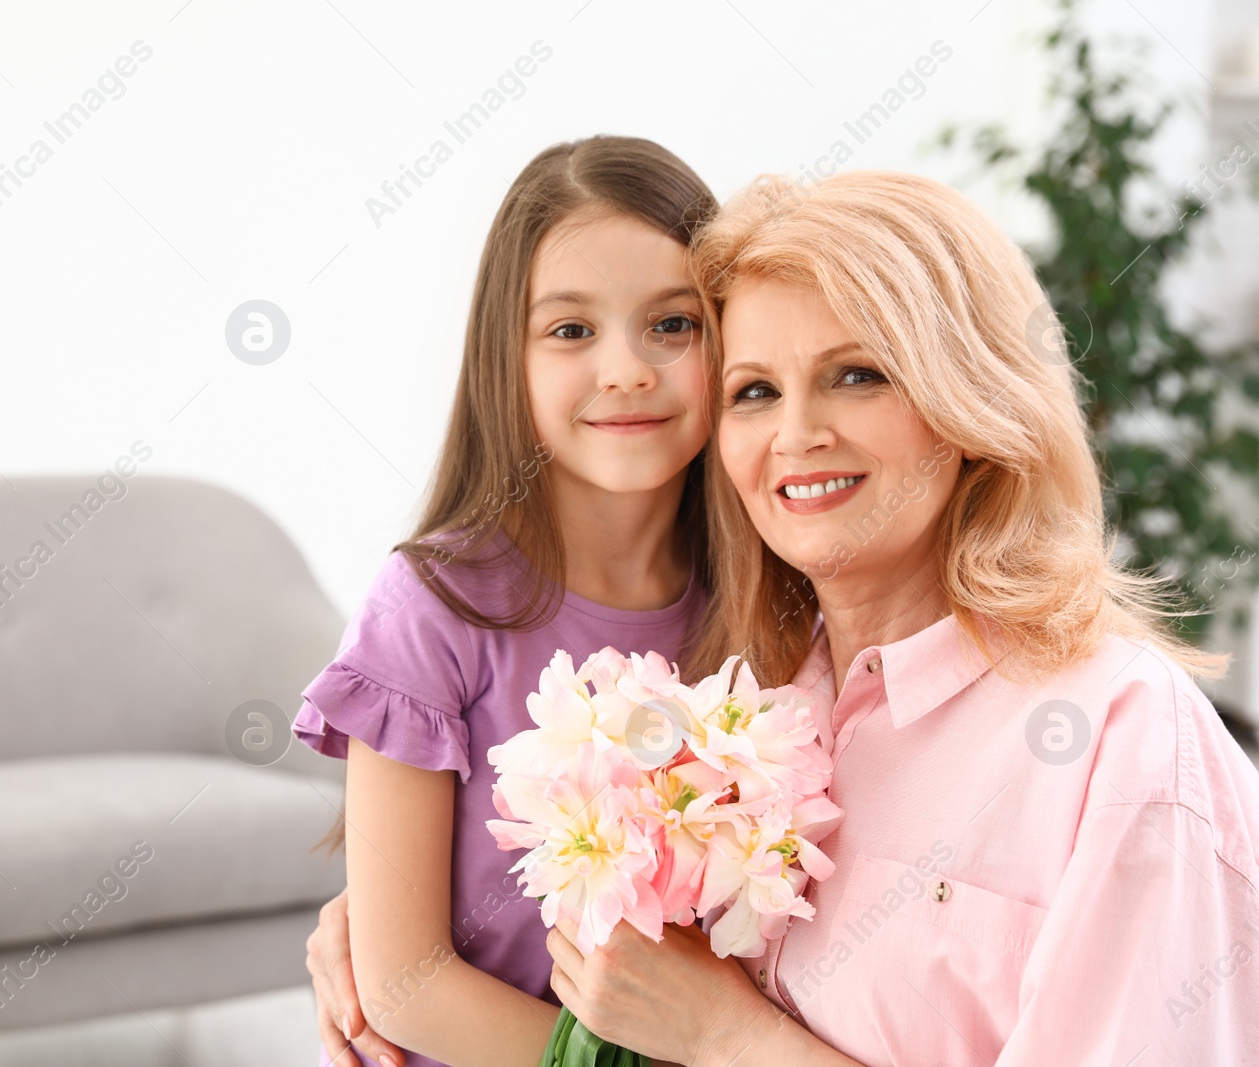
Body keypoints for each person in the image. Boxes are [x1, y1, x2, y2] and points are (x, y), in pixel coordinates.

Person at [310, 170, 1259, 1066]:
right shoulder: (744, 708)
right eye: (755, 390)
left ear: (971, 402)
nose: (798, 432)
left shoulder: (1118, 734)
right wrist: (406, 907)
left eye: (859, 374)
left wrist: (730, 1040)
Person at [291, 135, 717, 1067]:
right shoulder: (434, 608)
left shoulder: (765, 602)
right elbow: (404, 982)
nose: (627, 369)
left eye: (673, 325)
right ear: (506, 358)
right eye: (572, 330)